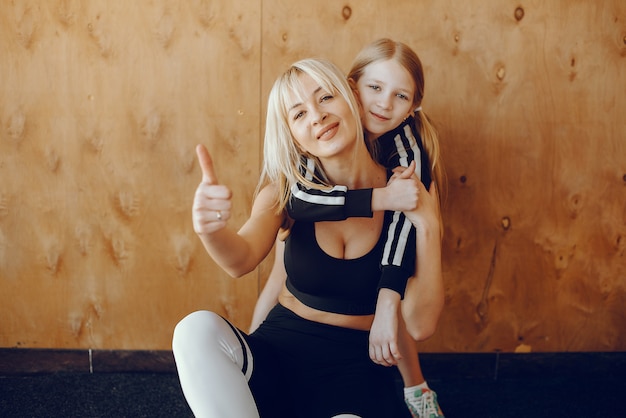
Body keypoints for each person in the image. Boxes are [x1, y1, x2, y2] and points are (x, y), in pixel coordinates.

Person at [173, 57, 444, 417]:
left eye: (325, 98)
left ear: (352, 98)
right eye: (298, 114)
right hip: (278, 356)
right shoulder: (285, 191)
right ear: (294, 139)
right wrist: (211, 230)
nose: (316, 116)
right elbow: (240, 260)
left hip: (355, 376)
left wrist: (429, 225)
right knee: (194, 330)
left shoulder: (406, 186)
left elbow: (421, 325)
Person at [249, 38, 445, 418]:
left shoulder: (406, 154)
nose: (384, 104)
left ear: (413, 107)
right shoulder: (321, 138)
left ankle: (415, 386)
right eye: (374, 88)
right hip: (304, 297)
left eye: (400, 96)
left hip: (384, 272)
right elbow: (296, 208)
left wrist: (389, 301)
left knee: (389, 283)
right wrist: (253, 350)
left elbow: (404, 240)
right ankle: (256, 355)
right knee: (288, 268)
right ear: (350, 89)